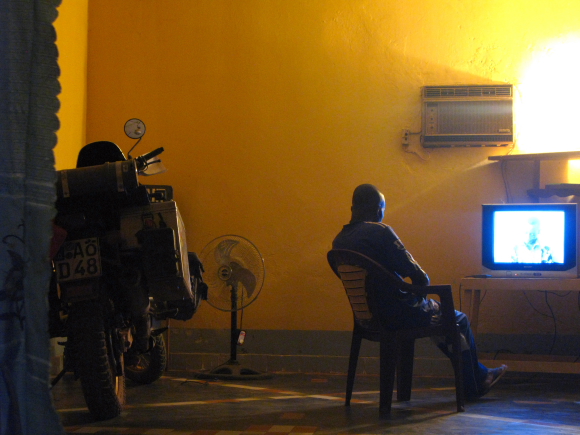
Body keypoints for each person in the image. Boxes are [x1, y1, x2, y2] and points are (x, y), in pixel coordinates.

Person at [332, 183, 507, 400]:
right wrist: (420, 298)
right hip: (399, 314)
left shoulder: (339, 241)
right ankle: (474, 385)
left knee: (439, 319)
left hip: (367, 319)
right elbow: (421, 278)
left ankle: (479, 376)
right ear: (379, 209)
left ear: (352, 208)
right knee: (457, 319)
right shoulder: (380, 231)